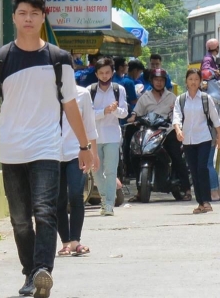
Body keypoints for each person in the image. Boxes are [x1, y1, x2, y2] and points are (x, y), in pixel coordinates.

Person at [0, 0, 95, 298]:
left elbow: (70, 105)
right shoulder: (0, 59)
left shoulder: (58, 59)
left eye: (35, 14)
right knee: (20, 219)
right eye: (23, 13)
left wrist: (84, 146)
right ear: (14, 17)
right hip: (12, 149)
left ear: (42, 18)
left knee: (45, 210)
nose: (28, 18)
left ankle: (43, 271)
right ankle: (30, 274)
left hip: (46, 148)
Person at [127, 68, 191, 200]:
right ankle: (140, 191)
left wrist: (175, 116)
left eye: (161, 80)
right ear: (152, 81)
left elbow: (179, 114)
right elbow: (136, 112)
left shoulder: (172, 97)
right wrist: (132, 118)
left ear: (165, 82)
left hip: (167, 131)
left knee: (176, 156)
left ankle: (186, 188)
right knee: (135, 154)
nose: (159, 83)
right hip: (149, 132)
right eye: (156, 80)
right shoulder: (145, 97)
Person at [173, 69, 220, 214]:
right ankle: (200, 202)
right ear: (186, 81)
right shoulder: (181, 99)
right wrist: (178, 130)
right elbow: (176, 117)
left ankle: (207, 201)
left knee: (202, 168)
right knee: (194, 171)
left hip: (204, 138)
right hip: (188, 140)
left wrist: (219, 136)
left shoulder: (206, 98)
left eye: (196, 79)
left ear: (200, 81)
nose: (193, 82)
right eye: (190, 79)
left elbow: (215, 119)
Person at [57, 86, 99, 258]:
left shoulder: (82, 94)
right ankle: (65, 242)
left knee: (76, 194)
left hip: (77, 152)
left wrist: (93, 153)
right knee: (58, 200)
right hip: (51, 153)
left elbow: (90, 125)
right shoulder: (47, 91)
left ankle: (75, 241)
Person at [89, 57, 128, 216]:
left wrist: (115, 110)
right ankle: (104, 197)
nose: (104, 76)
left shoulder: (119, 89)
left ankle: (109, 204)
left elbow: (124, 113)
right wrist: (104, 111)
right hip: (94, 137)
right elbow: (87, 115)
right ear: (97, 74)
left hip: (112, 136)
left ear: (112, 72)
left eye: (107, 72)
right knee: (96, 171)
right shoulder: (89, 91)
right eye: (101, 73)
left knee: (111, 171)